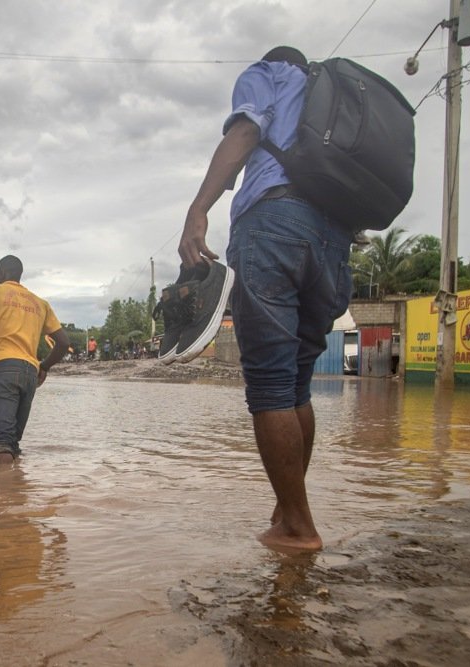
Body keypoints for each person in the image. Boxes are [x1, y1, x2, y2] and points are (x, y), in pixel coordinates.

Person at [178, 46, 354, 552]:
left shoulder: (268, 74)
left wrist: (198, 209)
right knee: (297, 383)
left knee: (273, 383)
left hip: (275, 224)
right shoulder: (331, 101)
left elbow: (246, 131)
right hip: (334, 241)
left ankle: (298, 525)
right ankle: (287, 507)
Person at [0, 255, 70, 464]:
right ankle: (20, 490)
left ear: (2, 274)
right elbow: (62, 342)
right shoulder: (40, 303)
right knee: (13, 442)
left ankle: (5, 495)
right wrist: (44, 366)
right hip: (30, 375)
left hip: (3, 368)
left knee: (2, 442)